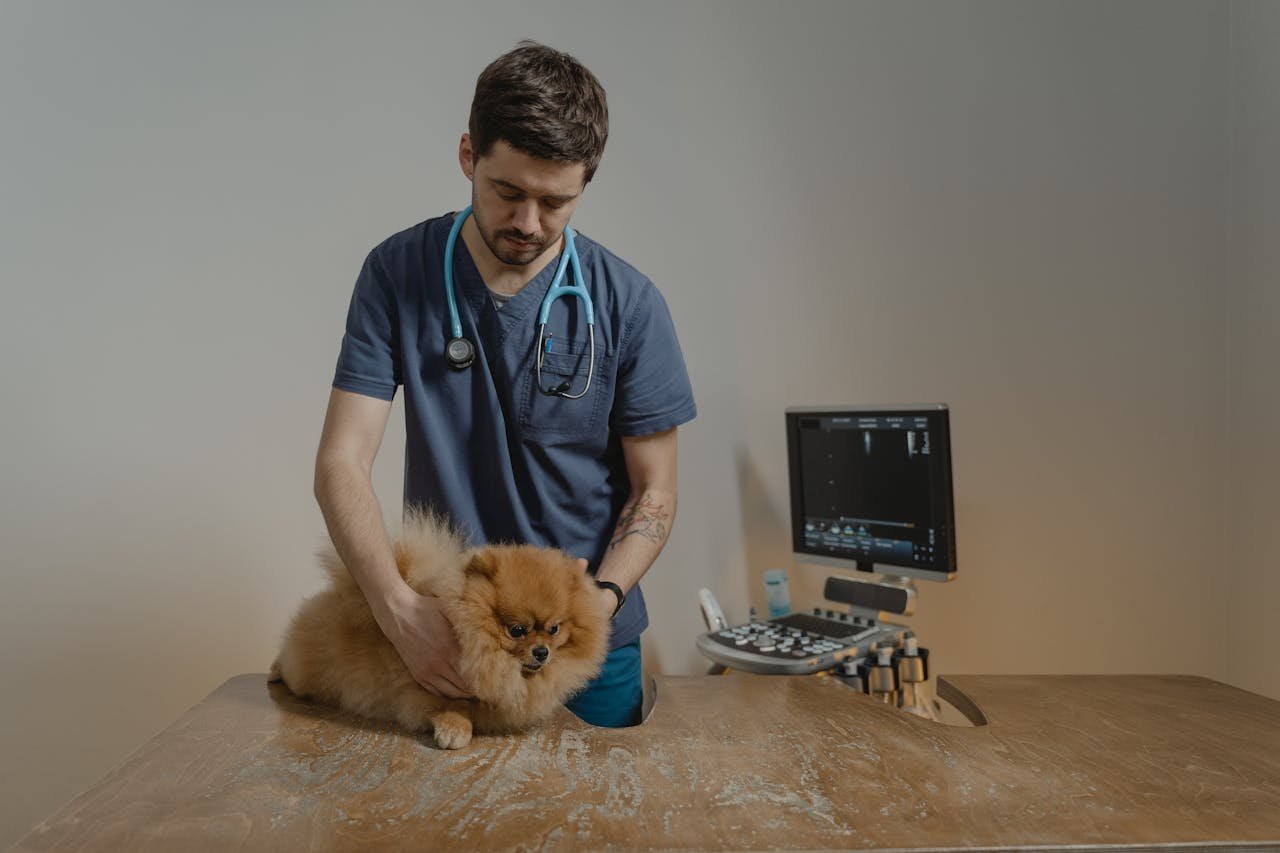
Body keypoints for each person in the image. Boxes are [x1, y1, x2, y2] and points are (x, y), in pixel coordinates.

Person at [313, 41, 696, 728]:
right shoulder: (396, 275)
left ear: (585, 183)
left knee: (602, 829)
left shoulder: (631, 304)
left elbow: (655, 490)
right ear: (469, 155)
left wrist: (597, 605)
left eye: (556, 202)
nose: (527, 223)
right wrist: (400, 613)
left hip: (585, 650)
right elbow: (341, 461)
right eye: (507, 191)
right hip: (446, 639)